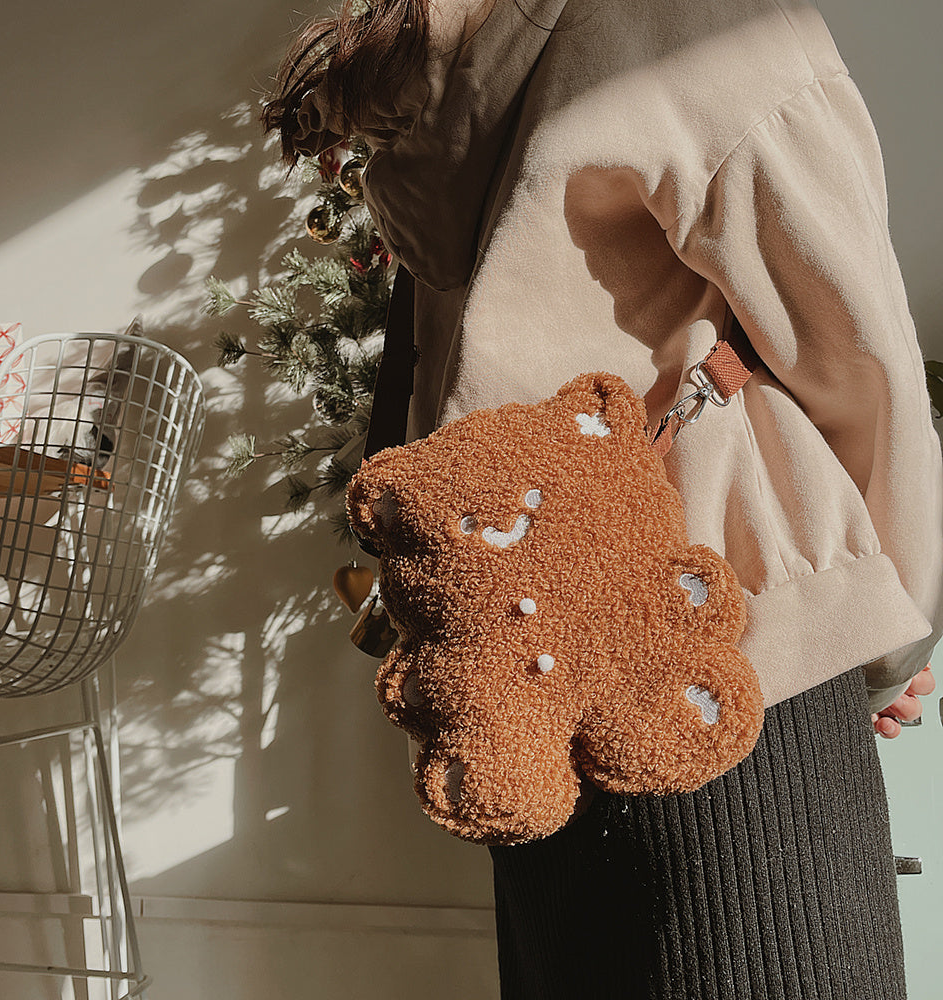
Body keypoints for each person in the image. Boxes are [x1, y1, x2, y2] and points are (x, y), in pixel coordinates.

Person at [265, 0, 943, 996]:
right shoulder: (700, 16)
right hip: (727, 654)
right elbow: (854, 351)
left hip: (524, 690)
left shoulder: (447, 56)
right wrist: (893, 637)